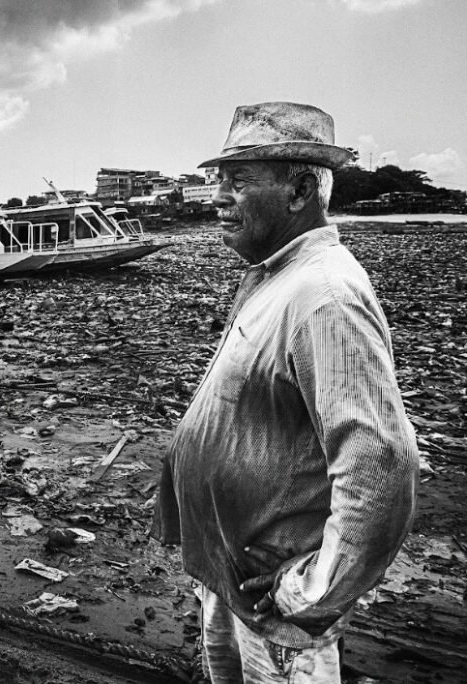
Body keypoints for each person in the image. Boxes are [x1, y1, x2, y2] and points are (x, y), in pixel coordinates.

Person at [153, 102, 419, 683]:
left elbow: (380, 462)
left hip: (277, 613)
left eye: (239, 181)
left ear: (300, 190)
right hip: (235, 579)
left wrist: (311, 592)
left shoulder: (325, 293)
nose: (218, 196)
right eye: (218, 179)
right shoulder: (279, 276)